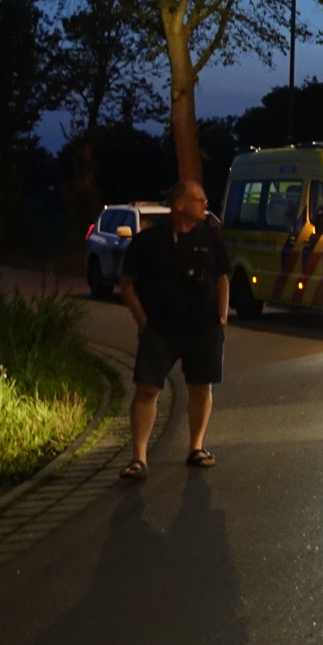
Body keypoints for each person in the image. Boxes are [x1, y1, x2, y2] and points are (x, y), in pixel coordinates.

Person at [119, 180, 230, 479]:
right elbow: (127, 283)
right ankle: (138, 458)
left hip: (203, 328)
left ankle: (196, 447)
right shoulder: (148, 241)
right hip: (161, 329)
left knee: (200, 387)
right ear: (180, 205)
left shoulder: (210, 238)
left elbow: (222, 277)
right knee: (147, 389)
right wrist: (142, 321)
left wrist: (221, 318)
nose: (205, 205)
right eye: (199, 200)